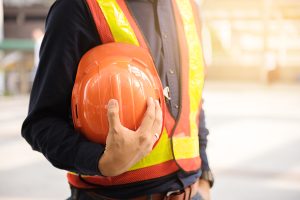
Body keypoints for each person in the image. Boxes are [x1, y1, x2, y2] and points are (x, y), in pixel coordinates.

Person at [21, 0, 214, 199]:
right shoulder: (77, 7)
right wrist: (101, 162)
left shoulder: (188, 7)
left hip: (193, 192)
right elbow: (41, 123)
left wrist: (205, 177)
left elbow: (192, 97)